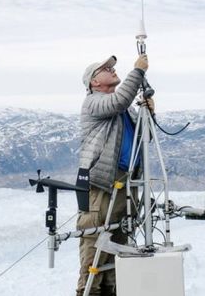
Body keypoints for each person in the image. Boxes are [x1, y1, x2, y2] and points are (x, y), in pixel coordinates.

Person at [75, 53, 153, 296]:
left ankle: (112, 290)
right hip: (103, 183)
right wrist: (137, 71)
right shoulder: (93, 102)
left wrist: (149, 114)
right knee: (95, 241)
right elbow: (118, 101)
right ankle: (88, 292)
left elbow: (144, 138)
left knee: (118, 244)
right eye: (105, 69)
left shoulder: (125, 111)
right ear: (94, 82)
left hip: (127, 183)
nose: (111, 69)